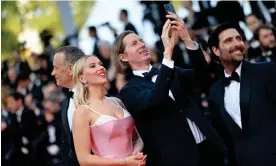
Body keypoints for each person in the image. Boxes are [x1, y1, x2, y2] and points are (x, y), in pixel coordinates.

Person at [114, 12, 224, 166]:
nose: (142, 44)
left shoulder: (171, 71)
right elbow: (155, 99)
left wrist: (187, 39)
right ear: (123, 57)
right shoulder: (128, 91)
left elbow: (203, 78)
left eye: (141, 41)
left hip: (209, 148)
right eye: (134, 44)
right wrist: (167, 55)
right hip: (177, 159)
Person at [208, 23, 276, 166]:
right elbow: (227, 138)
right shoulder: (214, 91)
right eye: (228, 40)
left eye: (239, 38)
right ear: (216, 50)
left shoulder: (267, 72)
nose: (237, 43)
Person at [71, 55, 146, 166]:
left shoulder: (117, 101)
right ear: (82, 78)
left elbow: (137, 138)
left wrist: (136, 152)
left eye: (101, 64)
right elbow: (84, 159)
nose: (100, 67)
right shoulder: (82, 112)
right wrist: (124, 162)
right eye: (92, 66)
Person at [51, 46, 85, 166]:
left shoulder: (97, 97)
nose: (52, 73)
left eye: (55, 68)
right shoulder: (65, 104)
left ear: (70, 69)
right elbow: (66, 145)